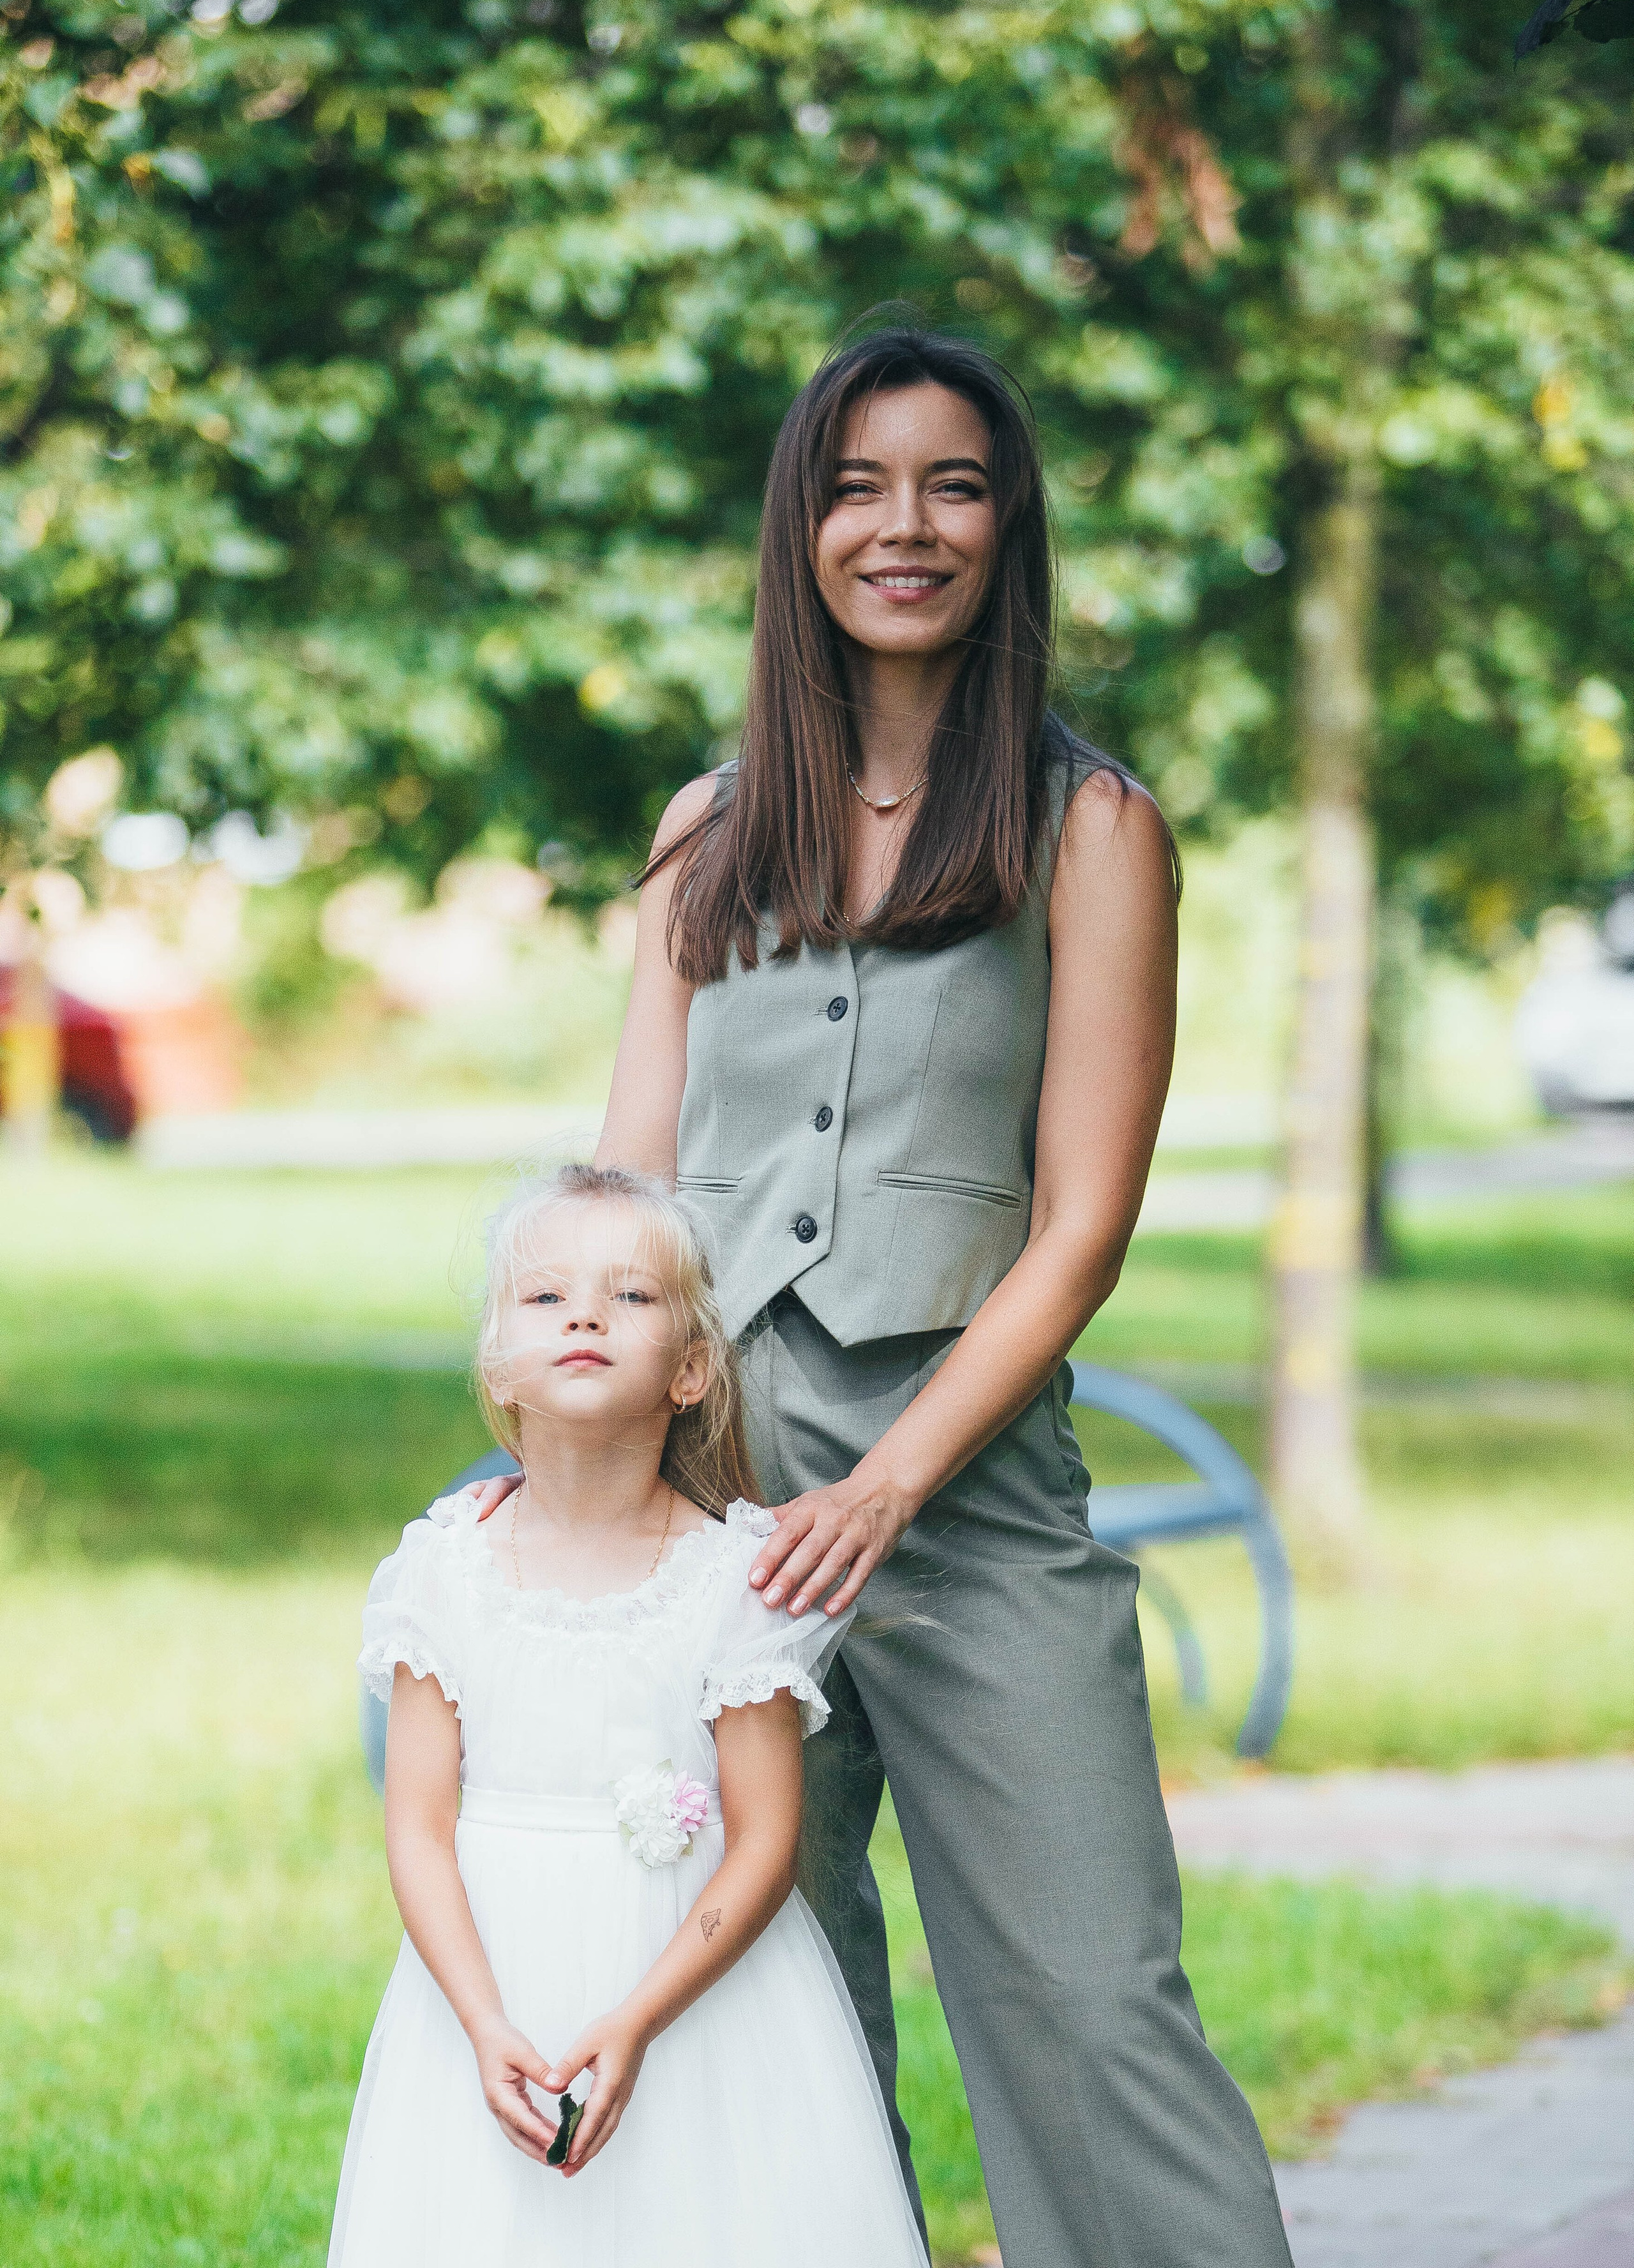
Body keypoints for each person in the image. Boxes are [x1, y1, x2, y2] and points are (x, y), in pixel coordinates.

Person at [474, 323, 1293, 2267]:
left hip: (970, 1493)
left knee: (1092, 2003)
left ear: (1007, 525)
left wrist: (894, 1488)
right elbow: (629, 1198)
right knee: (770, 2006)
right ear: (802, 530)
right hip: (710, 1501)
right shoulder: (706, 829)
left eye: (952, 482)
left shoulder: (1096, 832)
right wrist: (561, 1462)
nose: (902, 525)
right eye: (856, 485)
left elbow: (1082, 1223)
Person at [330, 1164, 928, 2268]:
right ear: (499, 1365)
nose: (586, 1316)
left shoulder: (741, 1582)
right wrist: (480, 2021)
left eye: (631, 1297)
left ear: (693, 1369)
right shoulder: (443, 1570)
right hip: (489, 1984)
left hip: (698, 2003)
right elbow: (416, 1828)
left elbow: (764, 1843)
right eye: (546, 1297)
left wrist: (641, 2018)